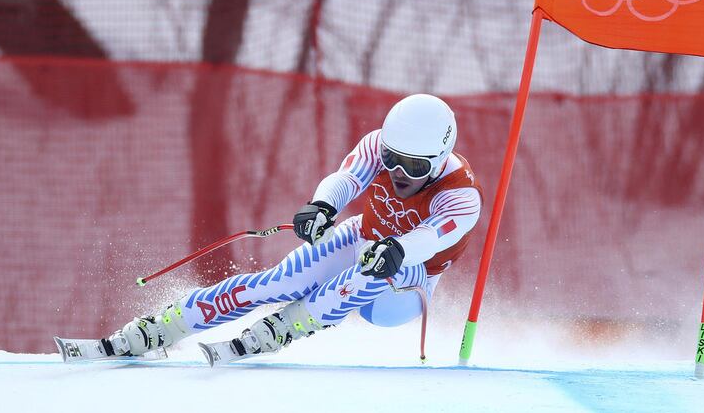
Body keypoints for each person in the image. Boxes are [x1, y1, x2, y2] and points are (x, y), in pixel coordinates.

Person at [106, 93, 483, 359]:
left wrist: (398, 249)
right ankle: (166, 325)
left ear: (439, 159)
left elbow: (429, 239)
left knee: (373, 269)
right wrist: (322, 206)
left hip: (407, 283)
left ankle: (286, 326)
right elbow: (347, 179)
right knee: (279, 281)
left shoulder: (462, 195)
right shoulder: (375, 145)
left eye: (414, 167)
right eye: (391, 158)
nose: (399, 173)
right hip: (363, 239)